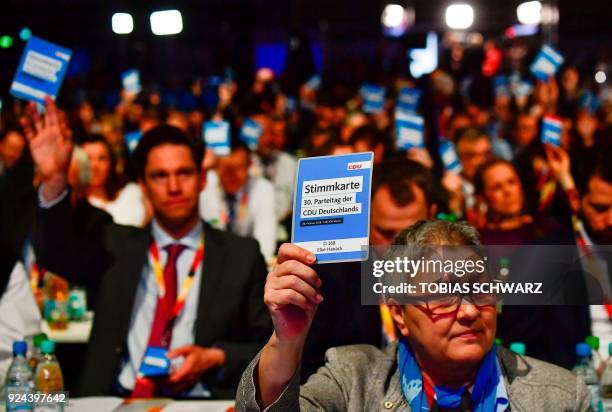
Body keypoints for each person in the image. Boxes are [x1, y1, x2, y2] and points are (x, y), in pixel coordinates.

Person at [24, 99, 271, 398]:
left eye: (184, 173)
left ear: (203, 178)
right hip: (120, 399)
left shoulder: (240, 256)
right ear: (142, 185)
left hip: (202, 401)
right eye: (160, 176)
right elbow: (54, 253)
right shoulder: (114, 244)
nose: (174, 187)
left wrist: (215, 357)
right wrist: (54, 180)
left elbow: (270, 346)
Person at [236, 220, 591, 411]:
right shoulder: (352, 382)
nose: (468, 311)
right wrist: (287, 340)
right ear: (398, 313)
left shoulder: (561, 397)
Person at [301, 158, 438, 381]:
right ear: (365, 219)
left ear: (432, 215)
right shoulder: (331, 280)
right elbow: (306, 371)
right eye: (385, 234)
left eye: (413, 232)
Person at [199, 138, 277, 263]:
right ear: (216, 167)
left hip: (249, 261)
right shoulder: (205, 186)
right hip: (211, 260)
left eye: (238, 168)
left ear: (249, 165)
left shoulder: (262, 189)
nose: (232, 175)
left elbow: (266, 241)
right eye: (227, 169)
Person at [80, 134, 148, 227]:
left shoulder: (132, 192)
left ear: (111, 163)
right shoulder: (77, 207)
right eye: (88, 159)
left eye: (102, 158)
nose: (95, 165)